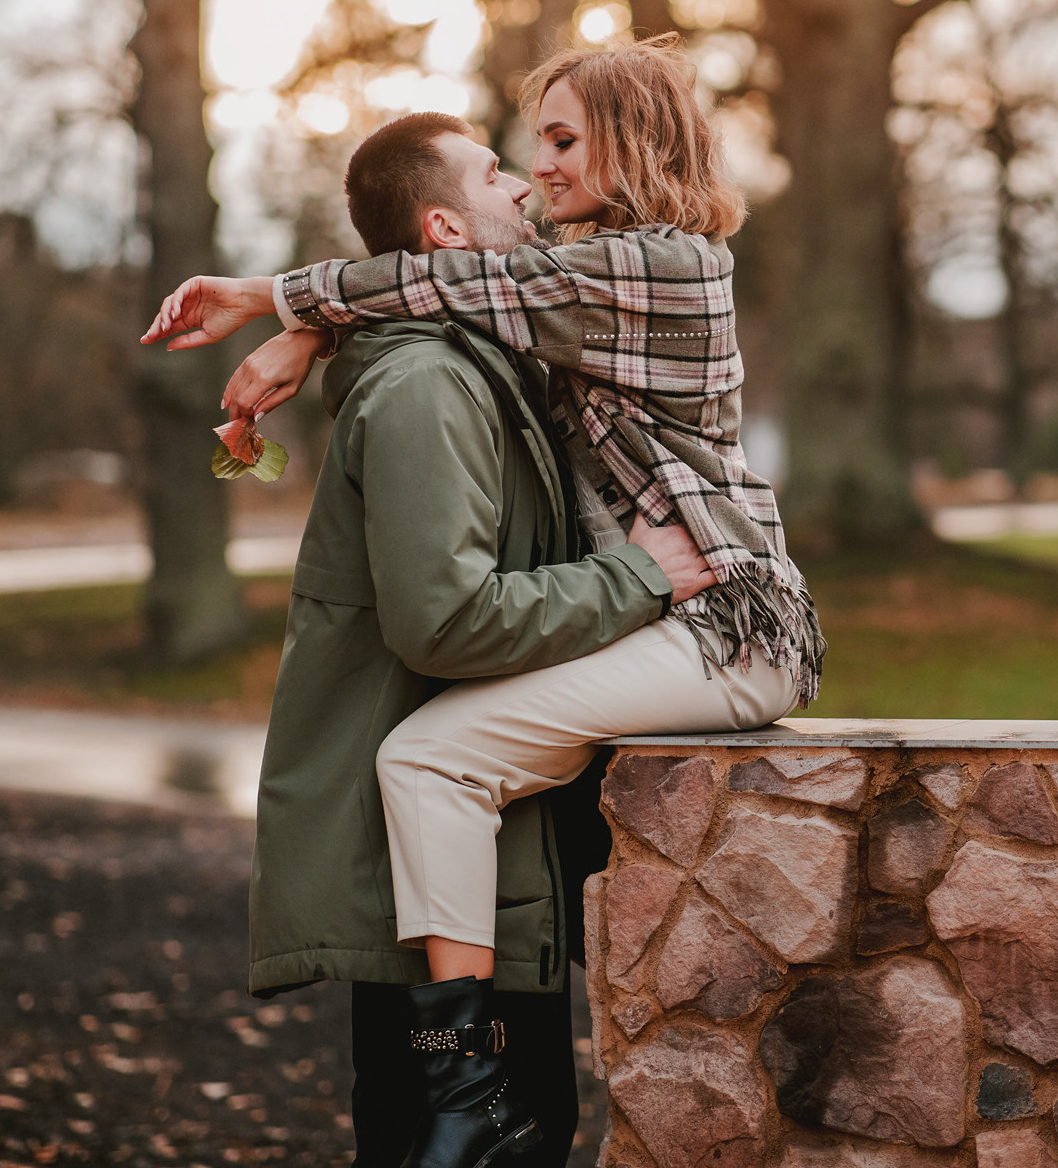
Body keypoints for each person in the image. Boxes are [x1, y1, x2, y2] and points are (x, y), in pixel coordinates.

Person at [144, 36, 823, 1163]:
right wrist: (312, 329)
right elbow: (446, 281)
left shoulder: (668, 266)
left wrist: (277, 302)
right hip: (680, 613)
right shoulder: (569, 278)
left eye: (560, 141)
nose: (539, 168)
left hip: (725, 619)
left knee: (426, 759)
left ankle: (466, 1086)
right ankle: (467, 1085)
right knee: (435, 761)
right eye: (527, 150)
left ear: (632, 139)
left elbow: (455, 276)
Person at [228, 111, 713, 1168]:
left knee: (526, 1132)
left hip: (496, 853)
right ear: (446, 227)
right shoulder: (427, 389)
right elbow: (443, 620)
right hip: (440, 874)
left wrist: (308, 320)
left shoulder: (487, 360)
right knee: (448, 1142)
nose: (530, 189)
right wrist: (641, 574)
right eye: (500, 175)